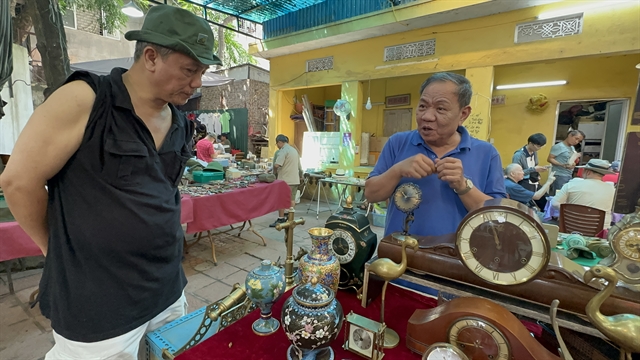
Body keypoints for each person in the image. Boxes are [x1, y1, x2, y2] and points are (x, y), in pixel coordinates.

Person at [0, 5, 221, 358]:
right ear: (150, 56)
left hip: (166, 290)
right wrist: (53, 249)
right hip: (98, 306)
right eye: (190, 70)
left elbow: (162, 193)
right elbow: (18, 182)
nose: (197, 82)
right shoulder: (87, 100)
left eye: (202, 71)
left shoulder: (179, 122)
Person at [364, 72, 506, 237]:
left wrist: (463, 185)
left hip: (456, 258)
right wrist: (397, 171)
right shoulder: (398, 143)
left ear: (463, 114)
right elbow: (371, 194)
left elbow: (497, 218)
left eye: (440, 108)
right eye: (423, 106)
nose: (427, 116)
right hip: (399, 255)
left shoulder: (487, 154)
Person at [551, 159, 616, 229]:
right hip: (600, 231)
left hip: (571, 228)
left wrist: (569, 212)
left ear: (588, 172)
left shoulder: (571, 185)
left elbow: (554, 203)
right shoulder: (612, 189)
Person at [270, 134, 302, 227]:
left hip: (285, 180)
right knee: (292, 199)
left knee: (281, 199)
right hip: (294, 179)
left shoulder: (283, 151)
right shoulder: (294, 150)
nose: (277, 146)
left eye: (277, 144)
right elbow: (299, 166)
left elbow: (277, 165)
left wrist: (274, 173)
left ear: (280, 142)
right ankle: (290, 216)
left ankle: (281, 219)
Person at [512, 133, 549, 209]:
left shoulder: (534, 152)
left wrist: (539, 170)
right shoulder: (519, 155)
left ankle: (547, 217)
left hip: (533, 180)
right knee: (530, 205)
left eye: (541, 146)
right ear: (530, 143)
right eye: (538, 146)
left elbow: (534, 166)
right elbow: (515, 173)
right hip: (524, 182)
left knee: (545, 200)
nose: (540, 148)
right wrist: (534, 169)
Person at [547, 130, 584, 195]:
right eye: (576, 139)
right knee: (558, 196)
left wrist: (574, 163)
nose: (576, 142)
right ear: (570, 135)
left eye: (579, 141)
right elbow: (550, 159)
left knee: (565, 196)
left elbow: (571, 159)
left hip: (568, 174)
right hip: (559, 175)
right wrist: (561, 165)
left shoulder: (572, 148)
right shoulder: (559, 146)